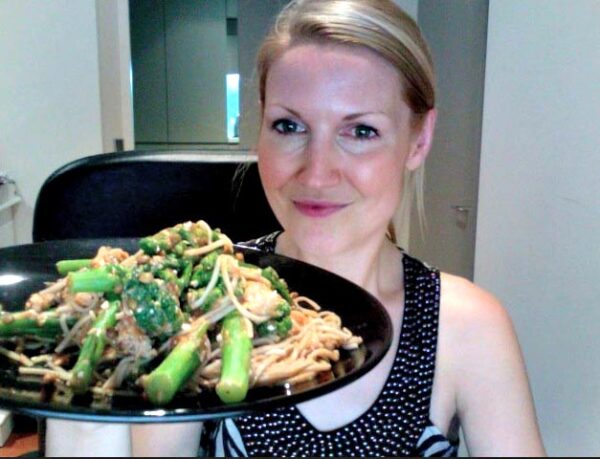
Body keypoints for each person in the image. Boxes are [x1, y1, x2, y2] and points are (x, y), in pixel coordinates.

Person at [133, 0, 546, 456]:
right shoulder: (199, 297)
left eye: (361, 131)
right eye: (289, 126)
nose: (317, 173)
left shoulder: (467, 326)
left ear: (419, 140)